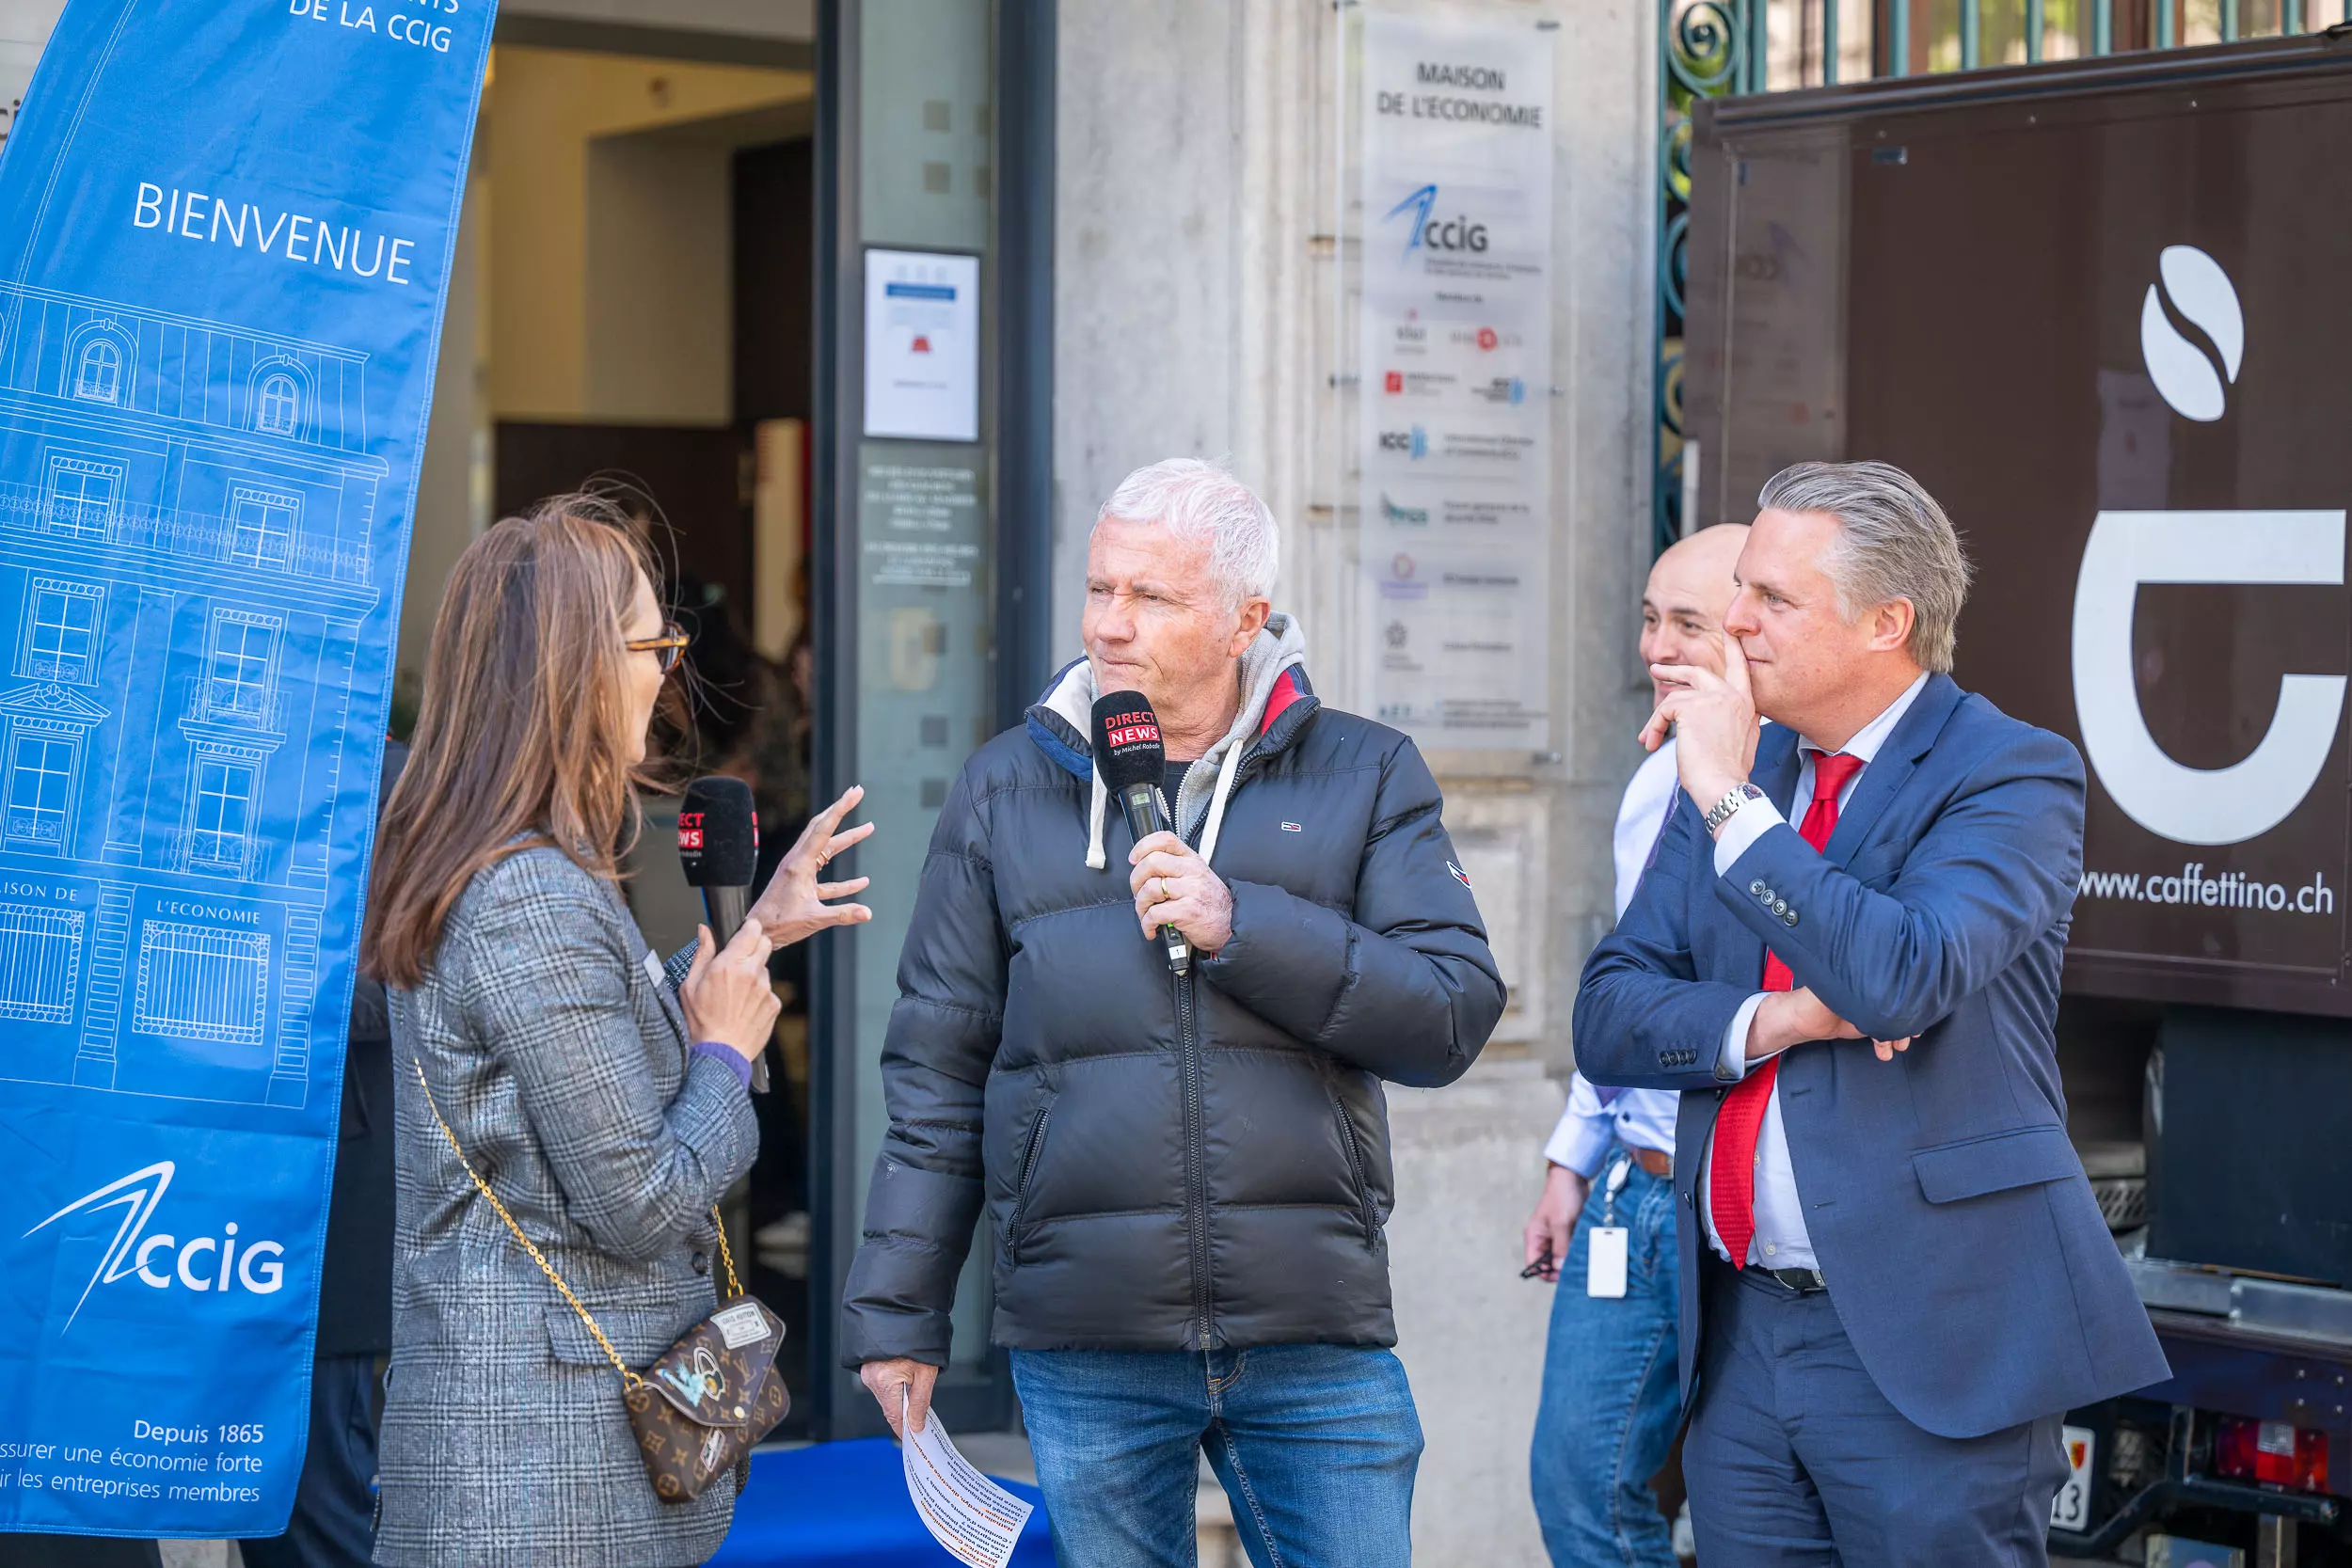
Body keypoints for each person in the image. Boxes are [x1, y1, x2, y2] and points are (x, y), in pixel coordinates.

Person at [841, 458, 1506, 1568]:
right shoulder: (1004, 787)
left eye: (1150, 595)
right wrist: (899, 1309)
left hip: (1311, 1326)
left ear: (1246, 618)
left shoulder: (1367, 771)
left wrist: (1242, 925)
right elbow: (938, 1066)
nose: (1108, 623)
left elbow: (1449, 1013)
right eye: (1099, 587)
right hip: (1087, 1332)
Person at [1573, 461, 2169, 1566]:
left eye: (1772, 599)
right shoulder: (1740, 762)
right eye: (1740, 589)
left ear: (1885, 622)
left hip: (1931, 1334)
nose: (1734, 623)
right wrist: (1781, 1017)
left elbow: (1896, 975)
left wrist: (1731, 806)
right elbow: (1607, 1013)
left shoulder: (2008, 772)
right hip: (1743, 1332)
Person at [362, 495, 873, 1567]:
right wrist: (726, 1056)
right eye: (654, 647)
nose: (667, 676)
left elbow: (592, 1036)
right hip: (542, 1474)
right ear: (579, 671)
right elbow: (641, 1201)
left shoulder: (503, 864)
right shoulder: (531, 892)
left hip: (537, 1461)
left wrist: (753, 933)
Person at [1524, 522, 1745, 1568]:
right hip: (1629, 1184)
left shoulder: (1787, 794)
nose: (1657, 647)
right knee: (1576, 1484)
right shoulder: (1652, 777)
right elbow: (1622, 992)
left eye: (1687, 623)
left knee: (1748, 1508)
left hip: (1727, 1204)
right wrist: (1573, 1157)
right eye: (1650, 619)